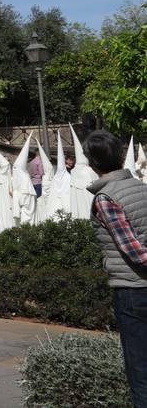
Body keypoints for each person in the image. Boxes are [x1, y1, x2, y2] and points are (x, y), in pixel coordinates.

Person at [85, 130, 147, 406]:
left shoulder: (105, 198)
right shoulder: (142, 187)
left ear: (91, 163)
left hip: (133, 290)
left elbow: (133, 250)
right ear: (122, 157)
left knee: (141, 370)